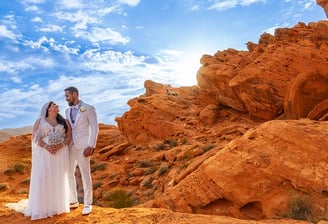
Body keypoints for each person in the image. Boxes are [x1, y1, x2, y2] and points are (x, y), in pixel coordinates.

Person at [24, 101, 71, 220]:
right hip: (45, 153)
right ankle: (42, 208)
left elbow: (69, 136)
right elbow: (35, 137)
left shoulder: (64, 121)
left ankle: (56, 206)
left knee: (58, 177)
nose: (57, 106)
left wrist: (61, 145)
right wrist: (46, 147)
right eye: (54, 105)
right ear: (48, 109)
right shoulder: (40, 121)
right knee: (44, 177)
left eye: (57, 105)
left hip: (60, 153)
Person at [64, 86, 99, 215]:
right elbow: (69, 128)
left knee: (85, 173)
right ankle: (73, 200)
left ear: (74, 94)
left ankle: (88, 203)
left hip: (84, 146)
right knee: (68, 172)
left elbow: (95, 128)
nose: (66, 98)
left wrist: (91, 146)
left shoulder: (88, 108)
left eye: (67, 96)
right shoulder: (67, 110)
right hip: (70, 146)